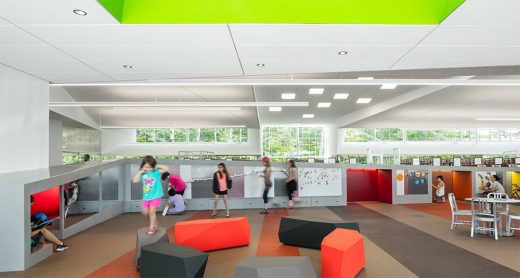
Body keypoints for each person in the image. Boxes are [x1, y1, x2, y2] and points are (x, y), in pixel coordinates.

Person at [132, 155, 169, 235]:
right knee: (146, 213)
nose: (148, 169)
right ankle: (155, 222)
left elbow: (167, 169)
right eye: (146, 167)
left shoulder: (155, 172)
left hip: (155, 195)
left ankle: (151, 228)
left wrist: (156, 166)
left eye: (150, 167)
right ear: (143, 166)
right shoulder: (142, 174)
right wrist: (140, 171)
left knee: (152, 211)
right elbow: (134, 180)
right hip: (146, 197)